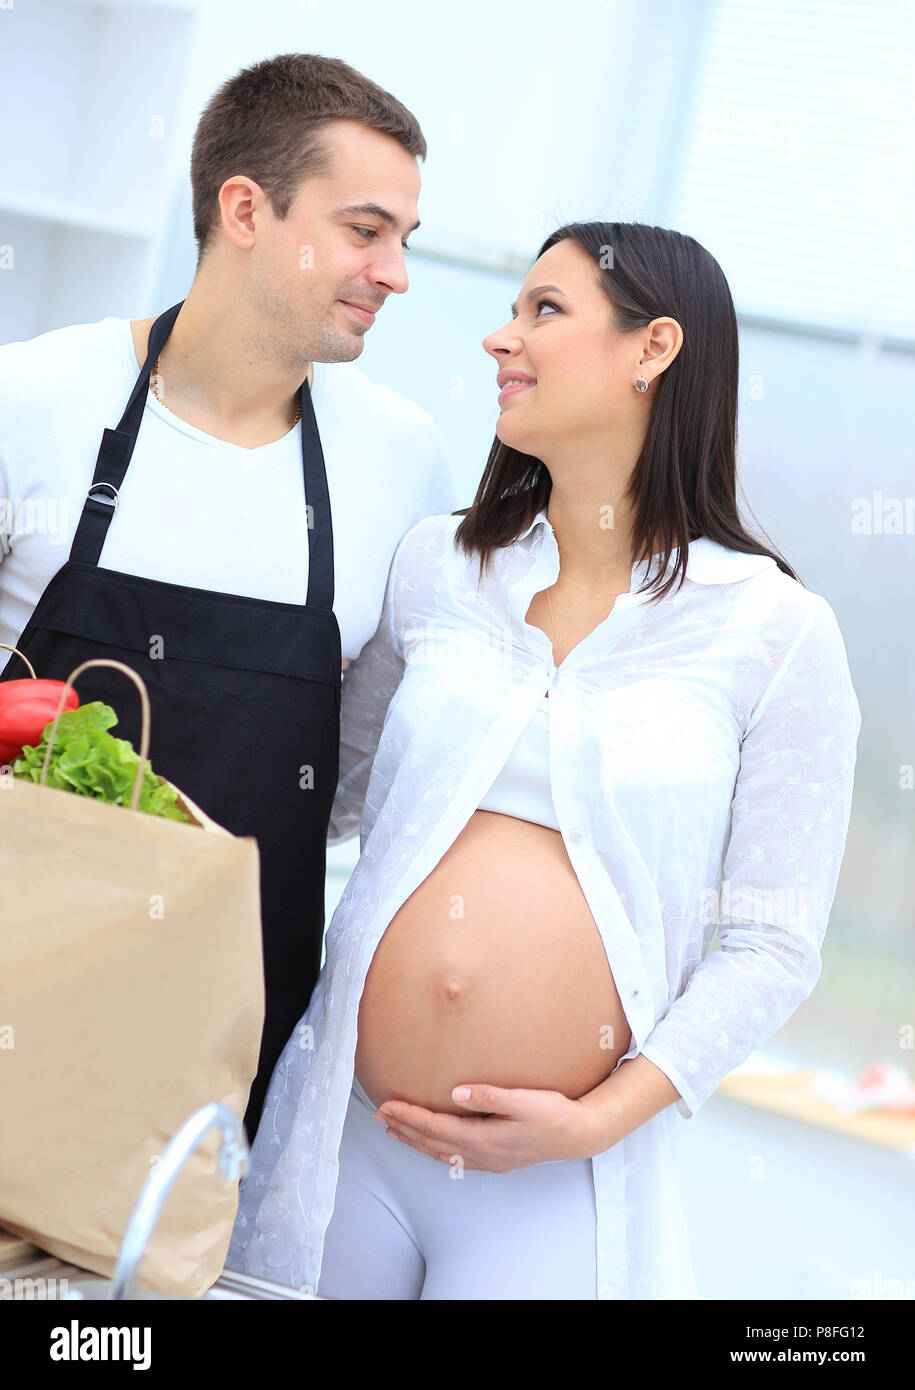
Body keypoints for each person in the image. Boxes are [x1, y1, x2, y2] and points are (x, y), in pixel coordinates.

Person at [226, 219, 862, 1301]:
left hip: (556, 1182)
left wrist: (594, 1119)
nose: (500, 338)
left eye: (545, 311)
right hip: (346, 1139)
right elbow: (324, 790)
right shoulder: (440, 564)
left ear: (653, 349)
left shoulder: (773, 630)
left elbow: (770, 940)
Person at [0, 54, 456, 1141]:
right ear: (244, 209)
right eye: (365, 229)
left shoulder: (402, 461)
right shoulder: (29, 397)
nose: (395, 272)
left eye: (406, 239)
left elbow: (360, 760)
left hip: (220, 1056)